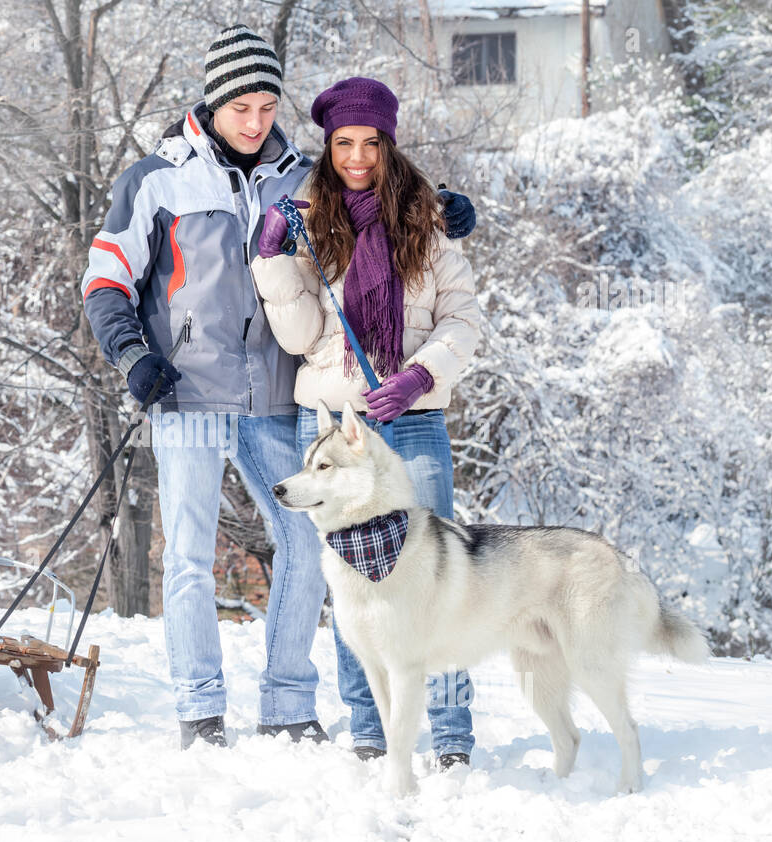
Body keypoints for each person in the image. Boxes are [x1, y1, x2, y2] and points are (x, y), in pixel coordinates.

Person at [82, 28, 476, 751]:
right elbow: (103, 279)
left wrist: (444, 207)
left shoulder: (300, 176)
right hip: (186, 394)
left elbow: (374, 198)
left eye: (268, 106)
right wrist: (133, 355)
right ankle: (200, 708)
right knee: (190, 556)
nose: (257, 121)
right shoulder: (156, 180)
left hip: (275, 394)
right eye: (242, 107)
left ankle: (289, 704)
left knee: (305, 538)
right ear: (213, 100)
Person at [250, 76, 482, 768]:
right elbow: (298, 338)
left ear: (389, 144)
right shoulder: (307, 222)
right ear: (329, 145)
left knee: (436, 577)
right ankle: (371, 733)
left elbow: (464, 319)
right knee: (351, 583)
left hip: (411, 424)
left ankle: (451, 738)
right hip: (332, 424)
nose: (356, 156)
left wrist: (420, 375)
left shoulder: (428, 221)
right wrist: (271, 262)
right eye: (344, 143)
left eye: (369, 143)